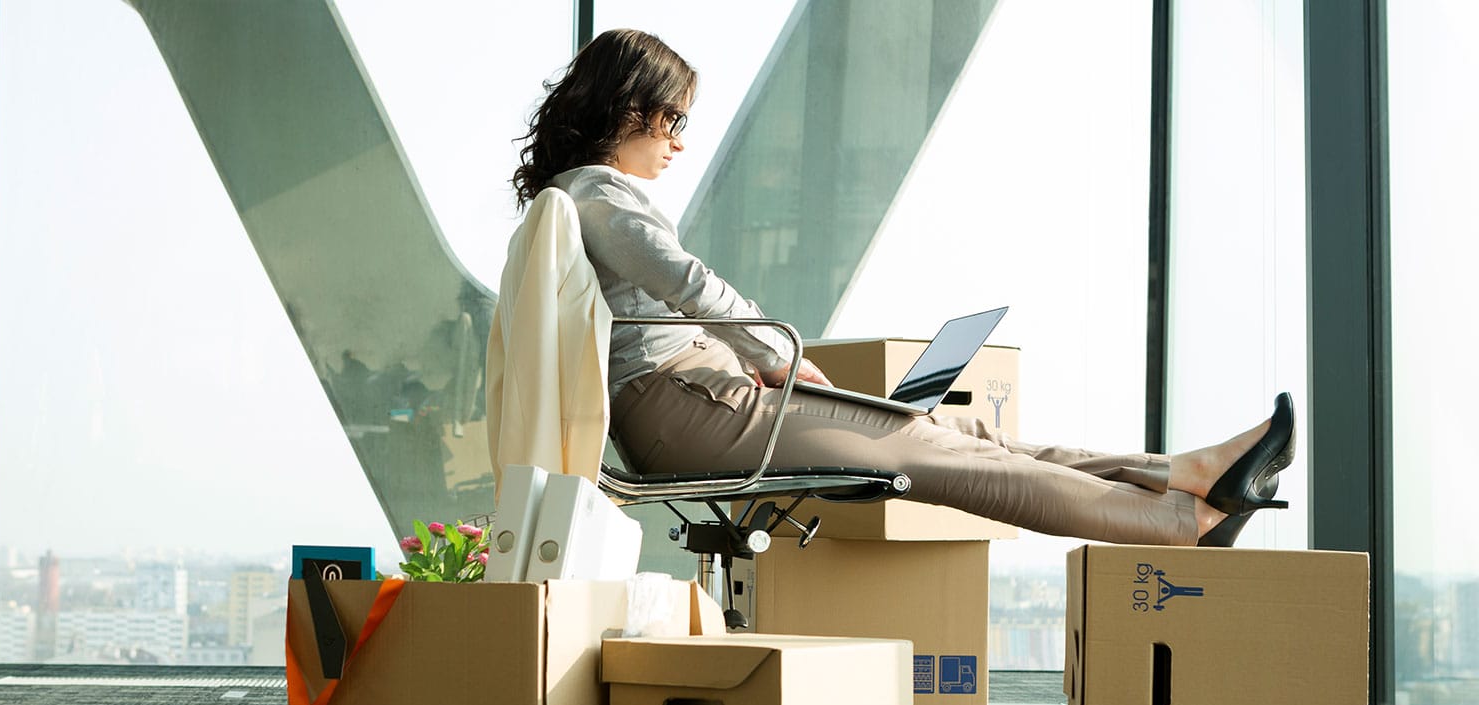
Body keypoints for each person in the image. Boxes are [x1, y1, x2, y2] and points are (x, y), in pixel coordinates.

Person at [510, 28, 1293, 547]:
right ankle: (1179, 519)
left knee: (972, 441)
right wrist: (775, 354)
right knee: (946, 458)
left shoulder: (581, 197)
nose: (680, 141)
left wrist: (747, 358)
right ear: (630, 110)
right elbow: (690, 286)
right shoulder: (600, 196)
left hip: (698, 399)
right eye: (672, 120)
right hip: (686, 408)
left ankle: (1182, 474)